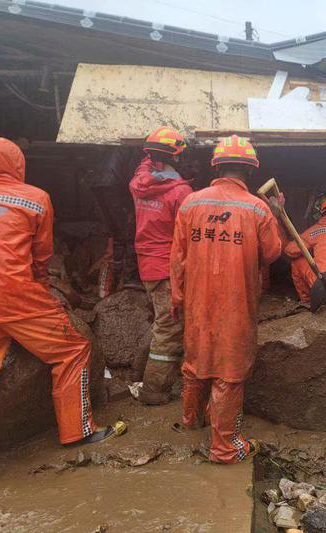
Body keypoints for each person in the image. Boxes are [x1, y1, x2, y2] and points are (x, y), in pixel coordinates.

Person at [0, 137, 115, 485]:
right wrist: (41, 291)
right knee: (73, 349)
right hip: (17, 296)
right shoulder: (35, 198)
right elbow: (41, 258)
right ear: (17, 164)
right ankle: (77, 430)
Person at [170, 135, 283, 464]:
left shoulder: (191, 203)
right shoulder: (257, 208)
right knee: (229, 373)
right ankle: (224, 447)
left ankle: (190, 421)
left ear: (216, 166)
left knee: (196, 361)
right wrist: (277, 214)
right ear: (249, 170)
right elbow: (273, 253)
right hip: (235, 301)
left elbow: (177, 255)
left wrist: (177, 295)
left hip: (196, 299)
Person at [129, 127, 193, 405]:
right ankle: (154, 391)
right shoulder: (181, 192)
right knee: (169, 328)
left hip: (147, 263)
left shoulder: (139, 182)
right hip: (168, 267)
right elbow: (188, 237)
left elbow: (146, 162)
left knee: (162, 320)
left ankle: (138, 373)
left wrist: (152, 152)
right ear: (176, 157)